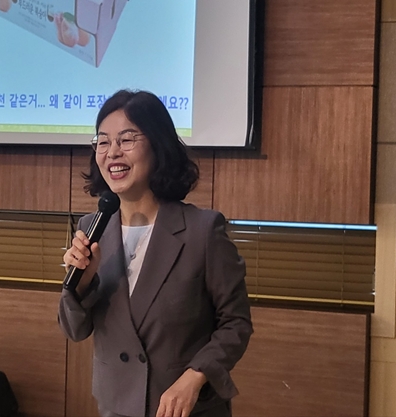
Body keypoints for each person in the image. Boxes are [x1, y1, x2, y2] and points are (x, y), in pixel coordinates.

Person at [58, 90, 252, 417]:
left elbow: (236, 323)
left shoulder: (202, 230)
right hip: (117, 407)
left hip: (185, 409)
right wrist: (81, 285)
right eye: (103, 142)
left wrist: (195, 376)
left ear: (158, 145)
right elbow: (74, 330)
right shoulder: (92, 228)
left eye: (127, 139)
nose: (112, 152)